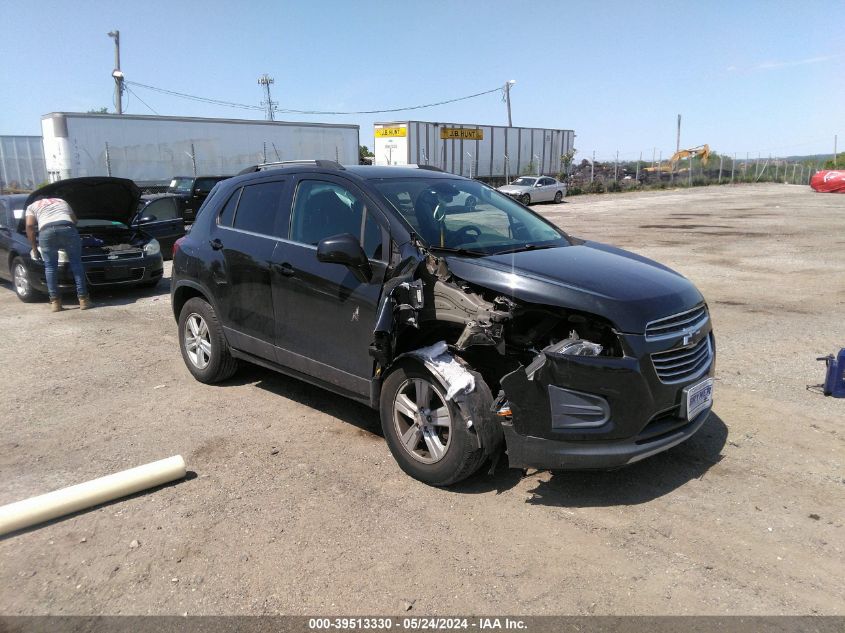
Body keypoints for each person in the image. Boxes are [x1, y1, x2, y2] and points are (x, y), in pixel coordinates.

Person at [25, 197, 91, 312]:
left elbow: (30, 225)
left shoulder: (32, 206)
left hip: (46, 231)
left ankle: (55, 303)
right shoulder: (61, 201)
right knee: (76, 264)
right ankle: (84, 300)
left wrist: (34, 248)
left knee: (50, 267)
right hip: (67, 228)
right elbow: (74, 220)